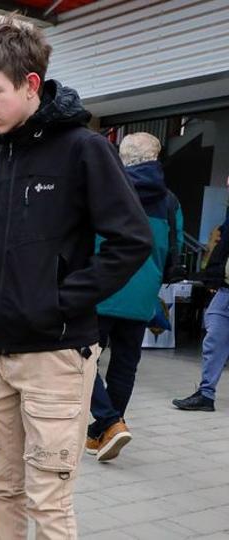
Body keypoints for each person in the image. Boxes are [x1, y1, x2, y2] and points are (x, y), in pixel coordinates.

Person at [0, 18, 152, 539]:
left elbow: (132, 241)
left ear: (30, 84)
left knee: (47, 502)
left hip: (55, 355)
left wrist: (57, 300)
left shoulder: (83, 149)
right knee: (1, 490)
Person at [84, 133, 183, 460]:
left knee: (81, 358)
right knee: (125, 366)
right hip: (141, 296)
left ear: (121, 157)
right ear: (156, 158)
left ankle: (109, 422)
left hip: (102, 289)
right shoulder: (169, 201)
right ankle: (103, 433)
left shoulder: (105, 189)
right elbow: (175, 253)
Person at [173, 175, 229, 412]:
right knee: (213, 339)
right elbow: (222, 249)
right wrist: (213, 277)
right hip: (226, 290)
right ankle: (206, 395)